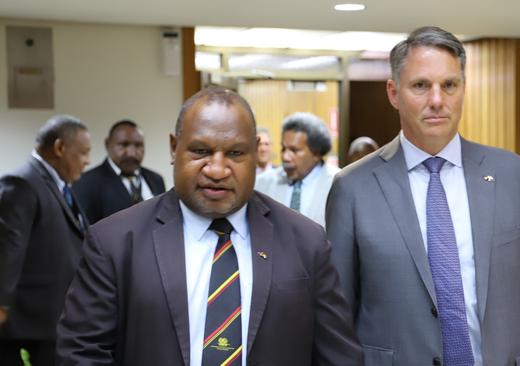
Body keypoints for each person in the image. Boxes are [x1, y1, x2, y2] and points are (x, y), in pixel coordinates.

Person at [57, 87, 362, 366]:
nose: (217, 170)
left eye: (235, 153)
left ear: (255, 153)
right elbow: (82, 354)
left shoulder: (306, 241)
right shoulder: (115, 242)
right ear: (174, 148)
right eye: (200, 151)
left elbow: (338, 356)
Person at [326, 26, 520, 365]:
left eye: (449, 85)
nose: (437, 100)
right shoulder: (353, 188)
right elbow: (337, 319)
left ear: (463, 88)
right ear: (393, 92)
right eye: (421, 86)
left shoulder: (514, 176)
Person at [0, 115, 91, 365]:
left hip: (55, 318)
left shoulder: (59, 185)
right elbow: (9, 249)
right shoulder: (22, 182)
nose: (88, 161)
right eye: (83, 153)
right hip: (30, 324)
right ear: (60, 148)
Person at [73, 119, 165, 224]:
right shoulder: (86, 183)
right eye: (124, 145)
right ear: (107, 144)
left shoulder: (156, 179)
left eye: (138, 145)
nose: (131, 153)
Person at [255, 113, 339, 226]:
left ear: (316, 153)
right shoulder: (262, 183)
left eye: (294, 150)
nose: (285, 156)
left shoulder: (338, 183)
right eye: (283, 148)